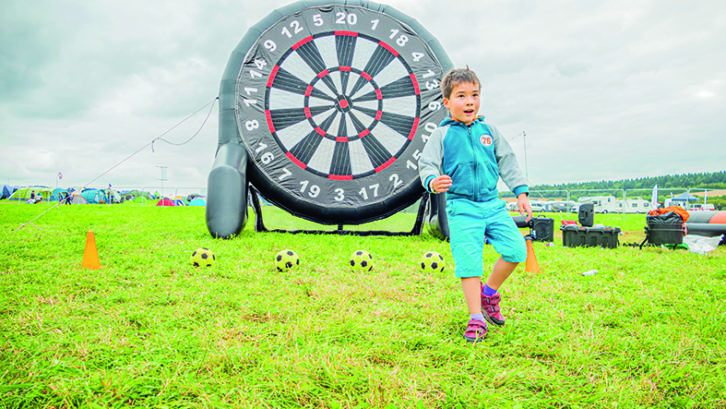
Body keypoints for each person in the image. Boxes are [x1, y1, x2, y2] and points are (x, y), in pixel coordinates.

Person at [418, 67, 533, 343]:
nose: (469, 101)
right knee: (469, 264)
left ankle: (489, 295)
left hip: (492, 205)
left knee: (517, 251)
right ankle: (476, 318)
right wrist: (433, 181)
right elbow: (427, 164)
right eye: (461, 96)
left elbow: (507, 160)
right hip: (462, 208)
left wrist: (521, 193)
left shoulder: (489, 131)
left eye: (474, 95)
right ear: (447, 103)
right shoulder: (442, 135)